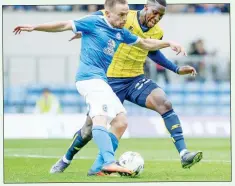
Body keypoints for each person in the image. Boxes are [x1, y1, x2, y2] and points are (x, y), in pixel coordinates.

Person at [13, 0, 186, 176]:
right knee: (100, 119)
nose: (125, 19)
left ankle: (92, 167)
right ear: (108, 14)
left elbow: (146, 44)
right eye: (121, 15)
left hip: (102, 82)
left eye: (126, 14)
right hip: (89, 79)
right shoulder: (93, 22)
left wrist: (168, 43)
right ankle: (108, 162)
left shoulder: (121, 33)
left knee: (121, 122)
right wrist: (35, 27)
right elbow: (64, 24)